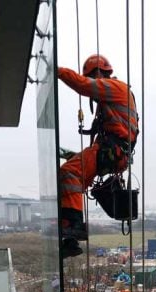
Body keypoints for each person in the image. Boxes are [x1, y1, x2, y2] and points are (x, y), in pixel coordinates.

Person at [58, 54, 138, 259]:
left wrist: (55, 71)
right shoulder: (111, 98)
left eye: (94, 76)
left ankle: (73, 226)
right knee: (76, 178)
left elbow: (82, 84)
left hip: (111, 151)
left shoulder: (114, 88)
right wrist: (74, 155)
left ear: (99, 73)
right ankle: (70, 239)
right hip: (112, 153)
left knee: (69, 172)